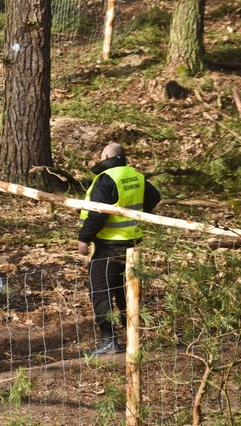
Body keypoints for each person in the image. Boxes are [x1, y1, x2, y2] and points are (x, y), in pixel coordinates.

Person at [78, 142, 161, 355]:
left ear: (106, 155)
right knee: (125, 292)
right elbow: (154, 196)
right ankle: (134, 337)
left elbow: (97, 213)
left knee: (100, 292)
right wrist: (136, 215)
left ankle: (109, 341)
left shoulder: (105, 179)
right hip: (132, 244)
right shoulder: (136, 176)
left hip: (109, 246)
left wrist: (84, 239)